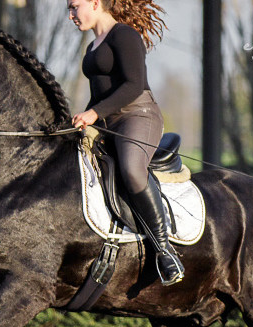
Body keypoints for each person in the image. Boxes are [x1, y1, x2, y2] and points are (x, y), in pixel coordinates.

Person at [68, 0, 184, 286]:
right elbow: (99, 95)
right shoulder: (92, 46)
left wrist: (94, 113)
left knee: (132, 170)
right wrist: (80, 118)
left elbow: (133, 85)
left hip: (138, 115)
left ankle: (165, 251)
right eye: (68, 9)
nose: (71, 15)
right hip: (107, 121)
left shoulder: (124, 35)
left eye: (74, 6)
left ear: (95, 3)